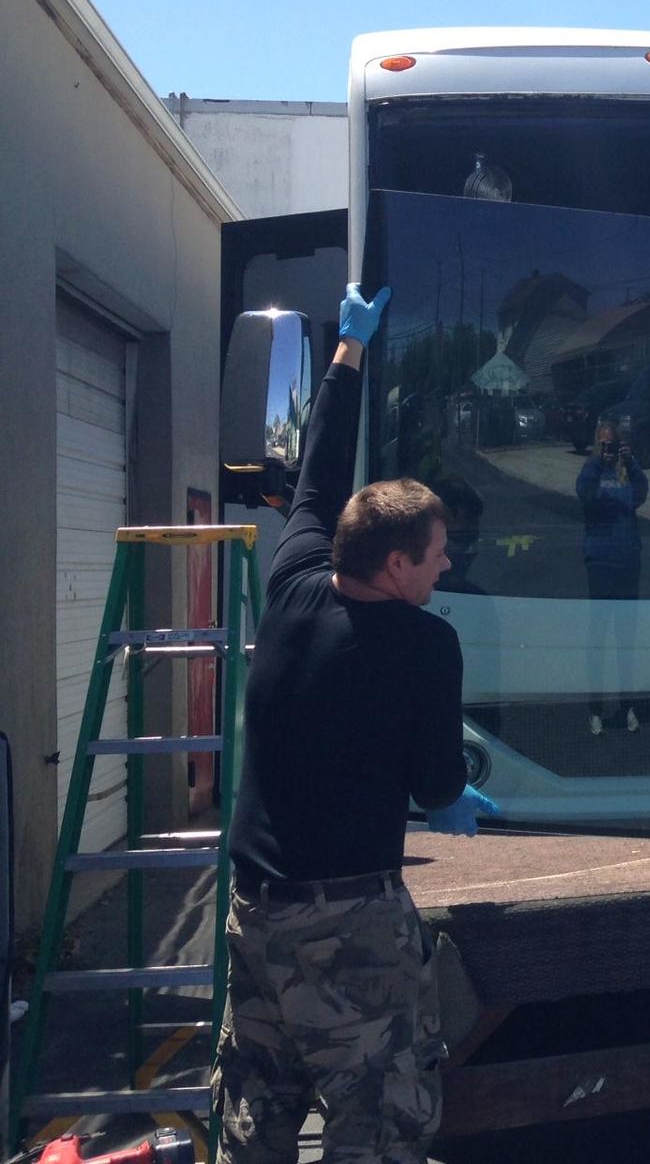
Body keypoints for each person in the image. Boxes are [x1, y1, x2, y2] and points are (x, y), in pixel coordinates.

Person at [216, 284, 499, 1164]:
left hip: (253, 911)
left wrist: (349, 350)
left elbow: (318, 468)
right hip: (345, 924)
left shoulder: (296, 573)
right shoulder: (422, 645)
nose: (447, 564)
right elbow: (435, 785)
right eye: (436, 553)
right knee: (377, 1115)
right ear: (395, 563)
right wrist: (456, 798)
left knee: (254, 1113)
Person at [575, 418, 648, 734]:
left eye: (613, 444)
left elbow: (641, 494)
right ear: (596, 444)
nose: (609, 449)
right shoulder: (591, 472)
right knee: (598, 638)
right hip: (600, 561)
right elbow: (585, 496)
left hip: (628, 559)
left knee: (626, 639)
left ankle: (627, 705)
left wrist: (630, 463)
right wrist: (595, 461)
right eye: (604, 444)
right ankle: (595, 708)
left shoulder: (625, 472)